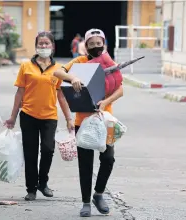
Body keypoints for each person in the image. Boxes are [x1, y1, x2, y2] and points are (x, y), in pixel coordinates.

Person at [53, 28, 123, 217]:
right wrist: (73, 77)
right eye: (91, 44)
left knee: (108, 159)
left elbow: (120, 90)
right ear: (85, 46)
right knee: (85, 163)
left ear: (104, 44)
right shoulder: (79, 62)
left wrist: (106, 102)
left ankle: (98, 194)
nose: (95, 47)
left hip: (104, 120)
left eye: (98, 43)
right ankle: (85, 203)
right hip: (82, 121)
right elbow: (58, 72)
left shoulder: (109, 63)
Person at [5, 31, 74, 201]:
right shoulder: (26, 66)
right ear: (36, 46)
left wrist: (69, 118)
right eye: (40, 44)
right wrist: (12, 117)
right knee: (30, 152)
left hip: (49, 116)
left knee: (48, 149)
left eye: (46, 44)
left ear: (52, 46)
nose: (43, 46)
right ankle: (31, 189)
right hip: (28, 115)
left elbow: (61, 95)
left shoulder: (59, 70)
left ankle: (43, 182)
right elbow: (19, 92)